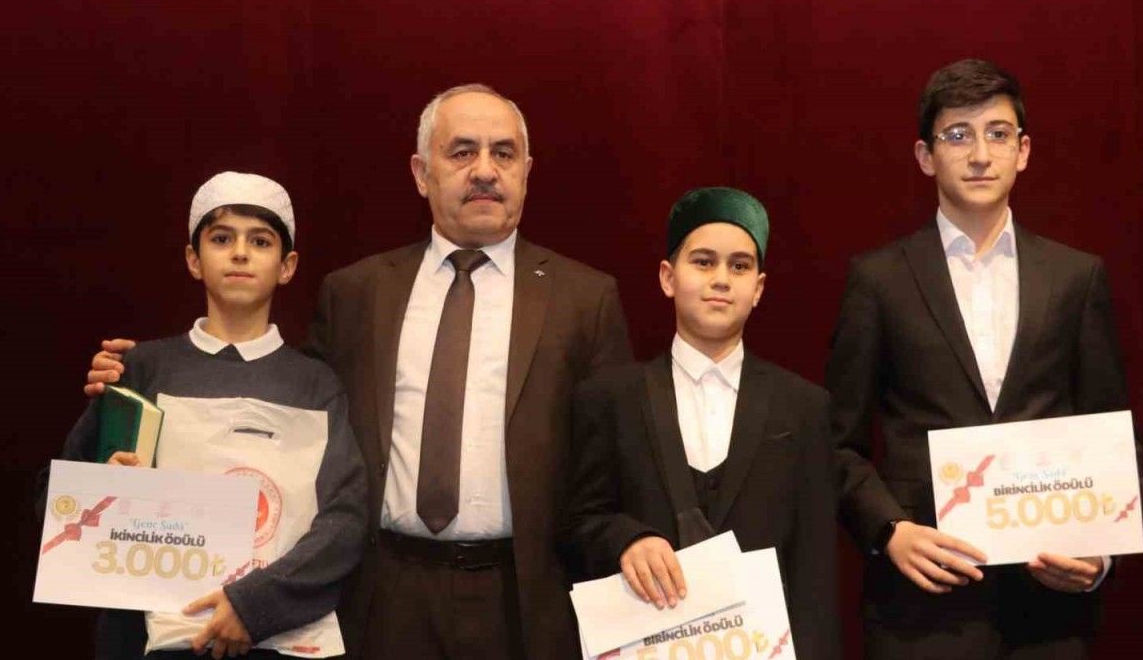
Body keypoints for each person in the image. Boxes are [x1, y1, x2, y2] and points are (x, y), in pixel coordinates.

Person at [89, 85, 633, 658]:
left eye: (503, 153)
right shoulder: (355, 293)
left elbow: (612, 472)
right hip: (380, 598)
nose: (484, 170)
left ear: (526, 171)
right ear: (421, 173)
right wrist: (157, 370)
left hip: (527, 603)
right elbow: (283, 417)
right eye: (462, 151)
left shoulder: (585, 301)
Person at [825, 59, 1130, 658]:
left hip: (1050, 606)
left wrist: (1102, 553)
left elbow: (1113, 433)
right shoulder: (879, 280)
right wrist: (889, 531)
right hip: (922, 604)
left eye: (998, 133)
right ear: (925, 155)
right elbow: (836, 443)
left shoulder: (1077, 277)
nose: (981, 155)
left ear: (1023, 151)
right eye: (958, 135)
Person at [47, 171, 367, 659]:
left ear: (287, 266)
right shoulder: (142, 369)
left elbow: (345, 520)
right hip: (150, 644)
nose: (240, 253)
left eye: (260, 241)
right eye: (221, 238)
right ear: (193, 260)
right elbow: (59, 511)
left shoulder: (316, 385)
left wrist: (253, 605)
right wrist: (105, 486)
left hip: (276, 641)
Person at [560, 187, 841, 659]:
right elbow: (576, 523)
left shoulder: (804, 407)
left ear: (759, 288)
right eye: (704, 262)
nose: (721, 280)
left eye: (739, 266)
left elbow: (815, 570)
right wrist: (627, 540)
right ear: (668, 277)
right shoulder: (609, 399)